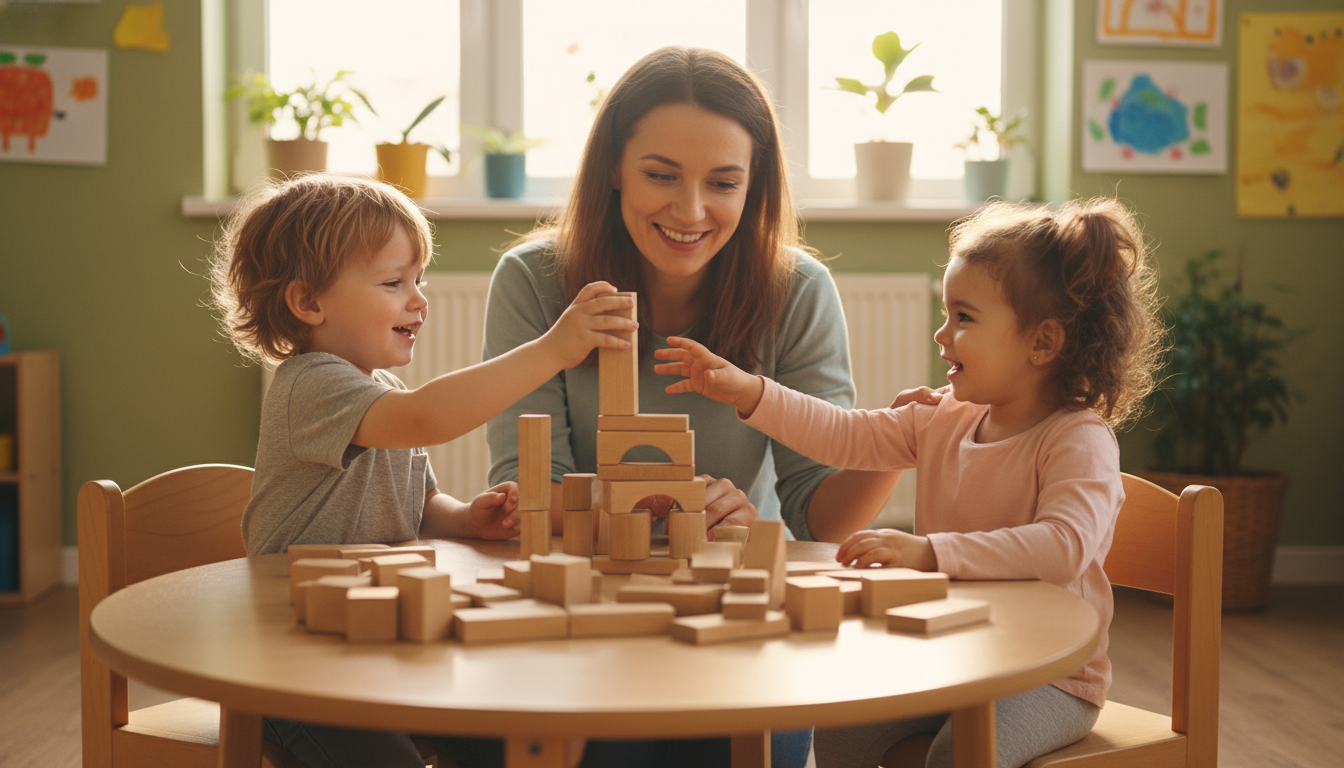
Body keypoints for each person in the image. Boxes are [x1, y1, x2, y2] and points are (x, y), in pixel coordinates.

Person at [482, 45, 911, 768]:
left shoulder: (796, 290)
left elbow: (816, 514)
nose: (690, 210)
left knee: (747, 748)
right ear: (615, 168)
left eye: (722, 182)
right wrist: (665, 498)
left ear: (754, 186)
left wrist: (897, 445)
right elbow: (529, 491)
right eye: (660, 176)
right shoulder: (534, 280)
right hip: (582, 608)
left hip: (734, 609)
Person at [656, 198, 1164, 768]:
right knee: (845, 724)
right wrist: (751, 391)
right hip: (954, 650)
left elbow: (1064, 548)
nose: (942, 335)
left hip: (1048, 677)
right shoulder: (942, 416)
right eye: (946, 314)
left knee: (959, 753)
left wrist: (928, 553)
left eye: (964, 318)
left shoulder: (1078, 440)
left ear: (1042, 342)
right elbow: (843, 436)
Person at [208, 173, 633, 768]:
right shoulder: (310, 384)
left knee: (501, 733)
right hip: (294, 663)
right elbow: (424, 419)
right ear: (308, 302)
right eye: (393, 282)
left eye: (418, 280)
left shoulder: (380, 391)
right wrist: (553, 349)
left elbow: (418, 502)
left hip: (374, 643)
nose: (419, 299)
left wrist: (464, 518)